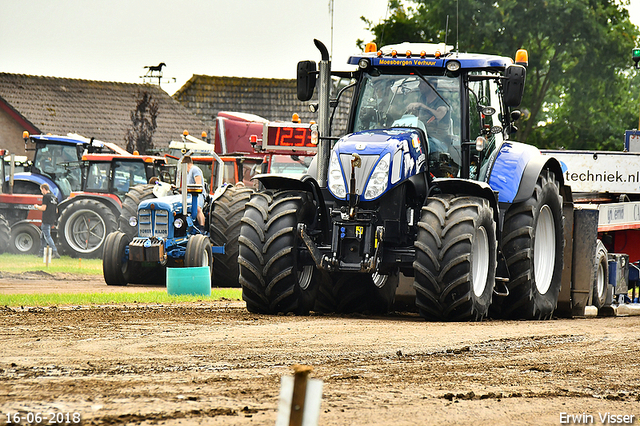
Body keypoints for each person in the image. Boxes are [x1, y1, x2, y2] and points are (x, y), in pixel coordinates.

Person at [404, 79, 451, 149]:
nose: (419, 86)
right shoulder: (422, 99)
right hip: (423, 137)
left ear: (431, 85)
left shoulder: (442, 102)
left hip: (438, 141)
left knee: (419, 147)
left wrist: (422, 106)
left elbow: (439, 115)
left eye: (422, 83)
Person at [33, 183, 60, 258]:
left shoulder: (46, 197)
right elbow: (56, 210)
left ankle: (55, 252)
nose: (41, 192)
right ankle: (41, 253)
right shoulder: (54, 197)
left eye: (41, 190)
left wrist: (36, 206)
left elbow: (43, 208)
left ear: (44, 189)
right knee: (43, 236)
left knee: (47, 236)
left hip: (46, 219)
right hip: (52, 219)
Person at [182, 156, 205, 228]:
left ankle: (202, 227)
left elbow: (198, 185)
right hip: (189, 196)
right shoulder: (188, 173)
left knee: (197, 209)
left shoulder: (195, 169)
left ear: (186, 164)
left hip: (198, 195)